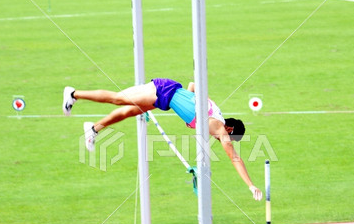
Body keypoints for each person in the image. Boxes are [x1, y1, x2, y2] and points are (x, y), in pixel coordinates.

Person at [63, 78, 263, 201]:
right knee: (118, 98)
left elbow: (193, 85)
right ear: (230, 129)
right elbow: (234, 158)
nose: (225, 141)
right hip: (163, 91)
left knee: (128, 112)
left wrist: (189, 106)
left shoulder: (215, 113)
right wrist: (250, 185)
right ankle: (74, 94)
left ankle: (94, 128)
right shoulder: (220, 129)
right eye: (229, 137)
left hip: (166, 98)